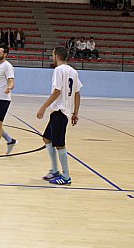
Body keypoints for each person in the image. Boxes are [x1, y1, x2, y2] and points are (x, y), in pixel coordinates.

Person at [36, 46, 82, 185]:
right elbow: (77, 93)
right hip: (64, 112)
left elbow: (57, 91)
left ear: (57, 56)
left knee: (60, 145)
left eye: (53, 55)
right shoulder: (73, 72)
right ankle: (55, 170)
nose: (52, 57)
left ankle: (66, 176)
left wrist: (43, 107)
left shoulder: (58, 70)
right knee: (47, 138)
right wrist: (75, 113)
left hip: (59, 111)